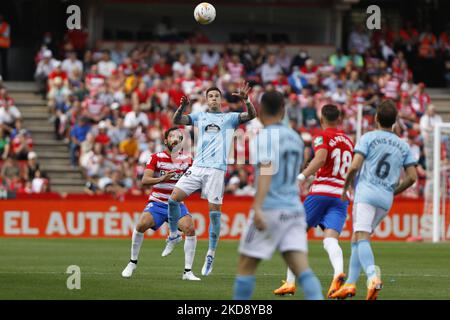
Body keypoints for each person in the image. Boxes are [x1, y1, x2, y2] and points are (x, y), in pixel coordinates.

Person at [232, 90, 323, 300]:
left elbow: (266, 170)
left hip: (271, 208)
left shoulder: (265, 137)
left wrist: (257, 207)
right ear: (283, 110)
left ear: (261, 111)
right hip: (294, 210)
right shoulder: (296, 138)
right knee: (302, 270)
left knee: (246, 266)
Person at [331, 100, 418, 300]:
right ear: (395, 122)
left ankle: (372, 277)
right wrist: (394, 191)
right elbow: (412, 177)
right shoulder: (403, 145)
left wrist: (345, 188)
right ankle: (351, 284)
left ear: (376, 118)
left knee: (361, 236)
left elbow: (354, 167)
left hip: (366, 194)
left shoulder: (368, 138)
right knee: (357, 238)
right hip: (385, 199)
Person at [167, 82, 256, 276]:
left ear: (221, 100)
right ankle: (174, 235)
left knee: (214, 213)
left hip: (216, 170)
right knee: (173, 198)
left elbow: (251, 115)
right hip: (197, 167)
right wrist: (182, 107)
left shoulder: (229, 118)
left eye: (217, 96)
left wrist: (246, 100)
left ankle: (210, 253)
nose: (214, 98)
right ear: (207, 100)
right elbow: (178, 120)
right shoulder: (200, 116)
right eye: (211, 96)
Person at [273, 104, 354, 298]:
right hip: (341, 195)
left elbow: (320, 158)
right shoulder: (349, 141)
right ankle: (338, 275)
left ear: (322, 119)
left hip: (321, 191)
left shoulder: (321, 136)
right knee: (330, 239)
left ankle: (290, 283)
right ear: (340, 119)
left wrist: (301, 177)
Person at [121, 128, 200, 281]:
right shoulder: (156, 158)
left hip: (176, 203)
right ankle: (132, 263)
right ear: (166, 141)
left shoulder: (188, 159)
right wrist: (161, 179)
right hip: (158, 202)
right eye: (172, 137)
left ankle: (187, 272)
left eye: (178, 137)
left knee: (190, 228)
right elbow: (144, 180)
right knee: (141, 225)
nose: (175, 139)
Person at [0, 14, 10, 79]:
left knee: (4, 61)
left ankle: (5, 76)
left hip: (4, 45)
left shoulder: (6, 25)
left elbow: (6, 34)